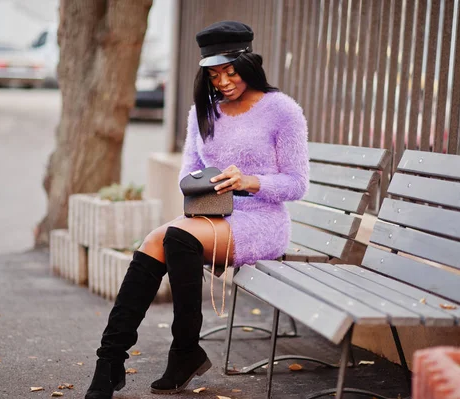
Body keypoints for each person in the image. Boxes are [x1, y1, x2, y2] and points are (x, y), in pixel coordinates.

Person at [85, 20, 309, 398]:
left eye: (230, 71)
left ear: (249, 63)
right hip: (212, 213)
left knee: (176, 237)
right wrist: (203, 180)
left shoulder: (282, 111)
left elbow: (297, 184)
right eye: (214, 73)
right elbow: (188, 168)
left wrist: (249, 181)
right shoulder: (203, 112)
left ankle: (185, 349)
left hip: (262, 220)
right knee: (154, 240)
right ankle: (109, 361)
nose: (222, 82)